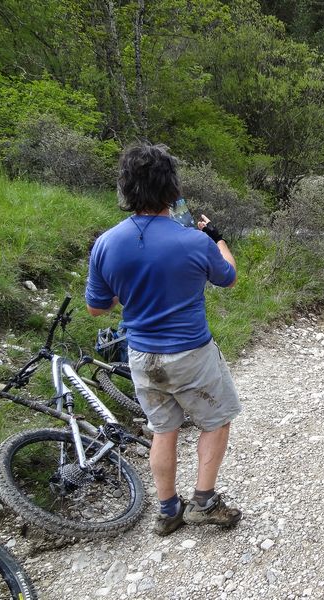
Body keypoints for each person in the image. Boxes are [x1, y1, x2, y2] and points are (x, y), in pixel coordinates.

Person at [85, 143, 242, 536]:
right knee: (217, 421)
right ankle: (203, 501)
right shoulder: (195, 240)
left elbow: (98, 308)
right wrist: (217, 237)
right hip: (191, 354)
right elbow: (229, 277)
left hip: (141, 355)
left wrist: (132, 290)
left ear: (126, 190)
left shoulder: (107, 243)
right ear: (172, 190)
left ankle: (168, 510)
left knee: (163, 429)